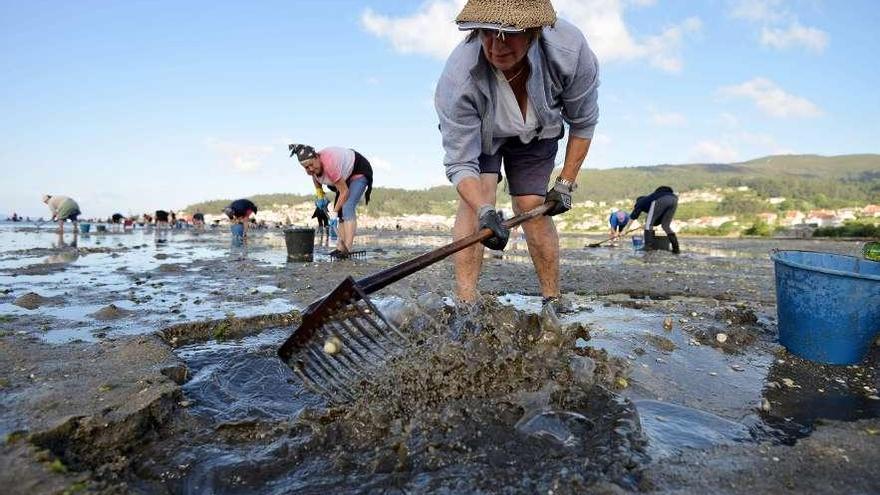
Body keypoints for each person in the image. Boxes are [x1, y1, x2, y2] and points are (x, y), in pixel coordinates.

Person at [435, 0, 599, 312]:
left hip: (539, 130)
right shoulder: (457, 79)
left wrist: (566, 183)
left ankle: (552, 300)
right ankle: (466, 304)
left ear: (534, 31)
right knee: (478, 199)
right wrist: (485, 211)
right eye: (487, 33)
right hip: (483, 136)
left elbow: (583, 122)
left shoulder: (569, 49)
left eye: (509, 33)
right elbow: (460, 162)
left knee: (531, 206)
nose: (496, 46)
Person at [290, 143, 374, 258]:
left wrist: (333, 212)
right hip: (344, 177)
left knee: (347, 207)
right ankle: (340, 247)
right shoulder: (312, 171)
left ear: (317, 157)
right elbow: (317, 182)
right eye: (306, 168)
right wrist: (320, 196)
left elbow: (344, 192)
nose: (310, 169)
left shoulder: (330, 164)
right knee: (340, 212)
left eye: (311, 165)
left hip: (358, 170)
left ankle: (347, 249)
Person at [629, 186, 679, 254]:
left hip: (661, 199)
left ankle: (648, 247)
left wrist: (625, 230)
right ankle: (676, 248)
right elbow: (658, 219)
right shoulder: (649, 200)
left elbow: (633, 216)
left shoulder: (640, 202)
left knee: (648, 224)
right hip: (674, 199)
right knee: (666, 226)